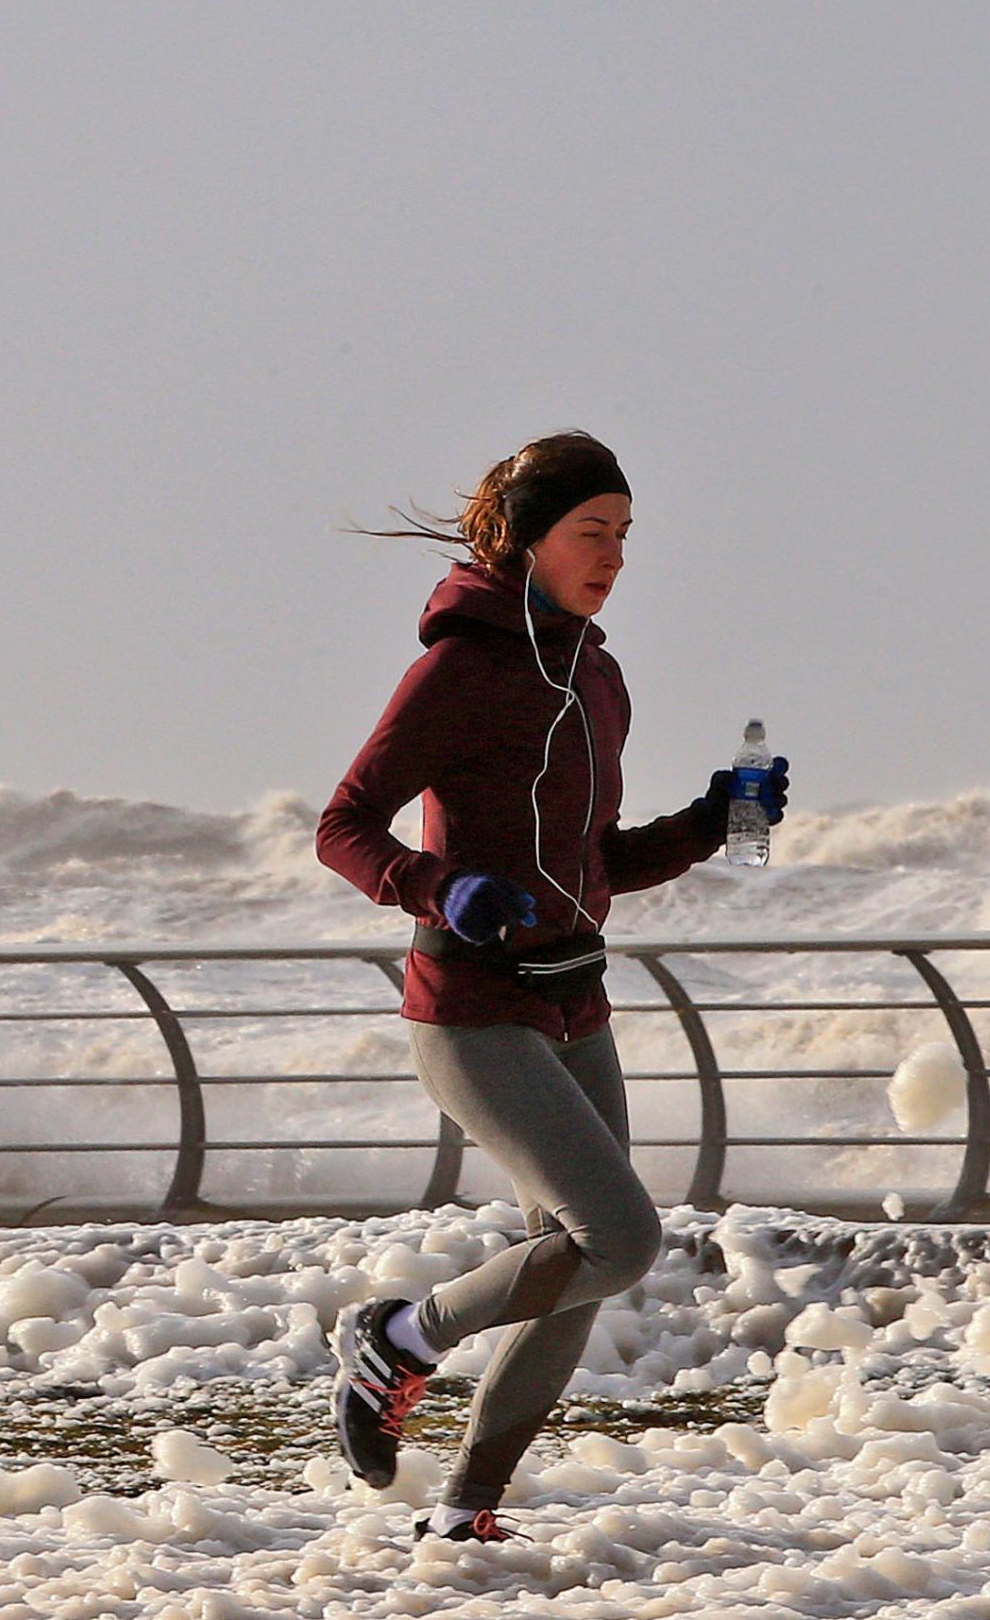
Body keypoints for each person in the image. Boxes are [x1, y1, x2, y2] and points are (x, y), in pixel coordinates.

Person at [313, 431, 789, 1545]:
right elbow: (343, 826)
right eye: (591, 532)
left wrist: (705, 825)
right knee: (617, 1238)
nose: (614, 555)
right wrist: (433, 886)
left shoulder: (595, 674)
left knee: (576, 1273)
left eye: (625, 534)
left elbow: (592, 863)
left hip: (575, 1003)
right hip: (473, 1009)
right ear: (527, 539)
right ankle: (401, 1339)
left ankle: (463, 1518)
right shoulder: (458, 669)